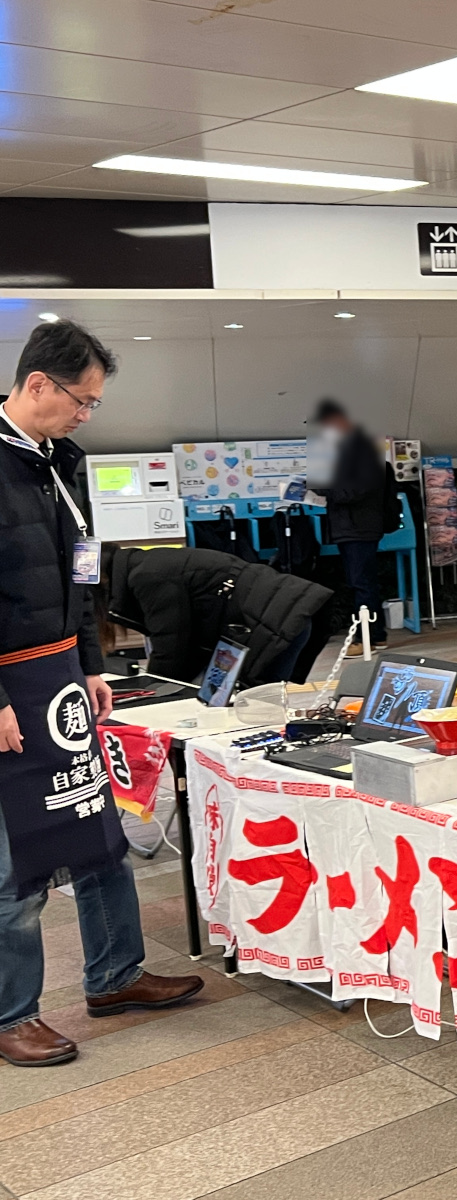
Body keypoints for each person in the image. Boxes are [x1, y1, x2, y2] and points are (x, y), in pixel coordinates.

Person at [0, 320, 202, 1068]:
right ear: (37, 384)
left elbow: (83, 572)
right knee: (17, 860)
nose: (87, 414)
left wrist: (92, 663)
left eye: (94, 403)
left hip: (62, 674)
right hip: (10, 686)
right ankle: (11, 1014)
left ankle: (115, 974)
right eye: (80, 400)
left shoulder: (62, 462)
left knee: (95, 829)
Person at [105, 546, 333, 685]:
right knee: (227, 704)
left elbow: (171, 644)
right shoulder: (147, 565)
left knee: (257, 710)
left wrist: (153, 690)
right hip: (269, 618)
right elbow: (185, 645)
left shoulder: (148, 576)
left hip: (272, 622)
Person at [309, 399, 389, 653]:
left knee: (362, 584)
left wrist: (320, 487)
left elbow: (350, 493)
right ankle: (375, 636)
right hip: (352, 529)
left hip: (359, 529)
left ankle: (368, 639)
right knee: (362, 583)